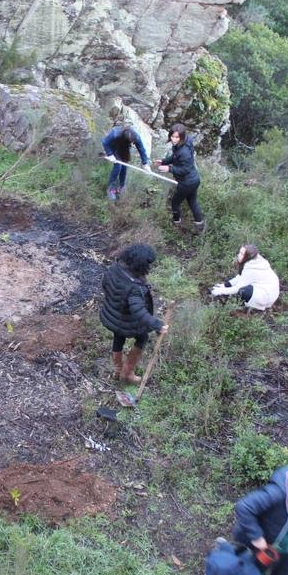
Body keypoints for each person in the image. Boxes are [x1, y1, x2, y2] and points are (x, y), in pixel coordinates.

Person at [98, 243, 167, 382]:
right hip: (125, 321)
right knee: (142, 338)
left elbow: (105, 285)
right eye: (148, 264)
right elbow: (138, 311)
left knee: (118, 337)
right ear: (141, 265)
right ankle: (127, 373)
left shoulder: (114, 268)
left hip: (112, 316)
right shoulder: (134, 287)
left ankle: (117, 370)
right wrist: (157, 324)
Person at [157, 123, 204, 232]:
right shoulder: (184, 143)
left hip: (187, 182)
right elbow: (175, 157)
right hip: (194, 179)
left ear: (181, 137)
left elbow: (184, 169)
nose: (174, 139)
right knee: (192, 202)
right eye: (172, 136)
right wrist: (163, 161)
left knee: (175, 203)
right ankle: (199, 226)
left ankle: (176, 224)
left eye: (176, 137)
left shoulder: (184, 152)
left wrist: (170, 169)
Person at [210, 245, 280, 311]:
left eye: (241, 254)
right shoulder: (254, 262)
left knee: (243, 291)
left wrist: (219, 291)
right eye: (239, 253)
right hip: (268, 292)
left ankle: (253, 308)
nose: (238, 255)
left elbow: (237, 288)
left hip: (267, 296)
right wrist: (224, 285)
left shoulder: (252, 269)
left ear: (248, 256)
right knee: (239, 287)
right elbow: (241, 277)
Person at [101, 125, 150, 200]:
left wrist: (145, 163)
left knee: (124, 166)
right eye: (132, 142)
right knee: (118, 166)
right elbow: (105, 142)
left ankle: (122, 186)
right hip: (114, 146)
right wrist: (110, 154)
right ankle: (111, 189)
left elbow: (141, 149)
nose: (133, 143)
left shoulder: (135, 136)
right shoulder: (115, 134)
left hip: (124, 149)